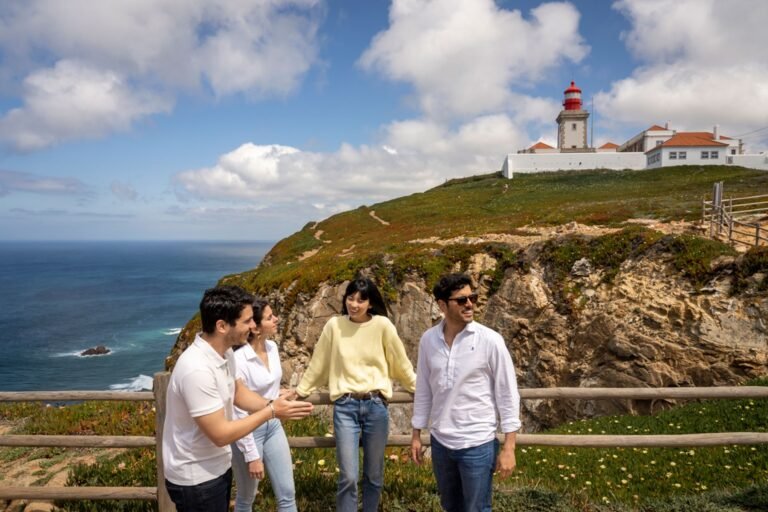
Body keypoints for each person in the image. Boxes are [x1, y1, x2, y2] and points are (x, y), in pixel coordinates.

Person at [162, 285, 313, 512]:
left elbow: (238, 393)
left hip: (215, 468)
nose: (253, 327)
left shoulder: (225, 353)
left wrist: (273, 405)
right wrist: (271, 412)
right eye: (247, 321)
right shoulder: (197, 369)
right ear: (222, 326)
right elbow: (221, 434)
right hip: (196, 478)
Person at [296, 276, 417, 512]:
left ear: (370, 303)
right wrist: (301, 391)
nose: (354, 304)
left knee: (374, 474)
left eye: (361, 300)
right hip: (345, 407)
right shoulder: (334, 325)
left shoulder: (383, 326)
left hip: (376, 406)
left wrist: (419, 389)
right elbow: (319, 362)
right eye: (350, 298)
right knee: (348, 477)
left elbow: (401, 363)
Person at [410, 273, 521, 512]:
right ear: (442, 305)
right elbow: (424, 390)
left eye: (473, 298)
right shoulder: (428, 340)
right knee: (450, 507)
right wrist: (416, 433)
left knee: (477, 509)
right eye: (461, 300)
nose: (470, 304)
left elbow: (507, 393)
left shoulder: (491, 340)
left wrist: (509, 447)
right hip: (440, 443)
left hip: (478, 443)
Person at [231, 298, 297, 512]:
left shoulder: (273, 347)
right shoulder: (239, 358)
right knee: (246, 498)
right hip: (248, 432)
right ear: (256, 328)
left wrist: (279, 395)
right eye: (270, 317)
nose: (276, 319)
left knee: (287, 494)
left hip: (273, 425)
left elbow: (264, 389)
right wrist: (252, 456)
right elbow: (238, 409)